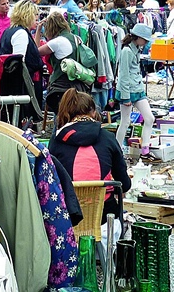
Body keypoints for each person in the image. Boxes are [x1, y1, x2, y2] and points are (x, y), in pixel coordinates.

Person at [49, 88, 130, 224]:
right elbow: (125, 184)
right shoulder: (108, 137)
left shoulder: (57, 140)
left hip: (68, 218)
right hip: (104, 218)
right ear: (93, 112)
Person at [115, 23, 159, 162]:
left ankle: (145, 150)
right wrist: (126, 97)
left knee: (150, 118)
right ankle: (117, 152)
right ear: (138, 37)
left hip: (138, 89)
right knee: (125, 122)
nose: (146, 42)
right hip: (128, 90)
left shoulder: (136, 49)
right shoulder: (127, 51)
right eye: (144, 39)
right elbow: (123, 75)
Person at [0, 0, 45, 120]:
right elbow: (19, 65)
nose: (37, 17)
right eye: (35, 15)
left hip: (12, 84)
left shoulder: (9, 31)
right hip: (19, 87)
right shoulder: (20, 33)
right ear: (27, 15)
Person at [37, 11, 90, 113]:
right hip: (77, 84)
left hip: (60, 86)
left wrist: (38, 30)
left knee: (61, 117)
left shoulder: (56, 42)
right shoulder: (76, 38)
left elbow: (36, 51)